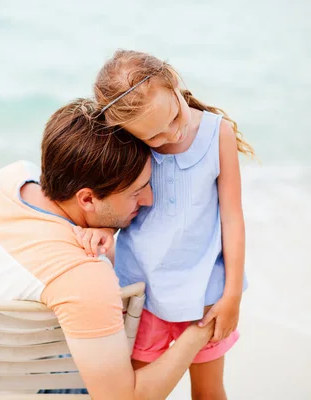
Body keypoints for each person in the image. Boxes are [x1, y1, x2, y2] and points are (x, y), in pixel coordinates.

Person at [0, 98, 216, 399]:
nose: (148, 200)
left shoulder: (9, 179)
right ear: (87, 199)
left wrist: (104, 223)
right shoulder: (83, 275)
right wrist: (200, 331)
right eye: (136, 192)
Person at [76, 49, 255, 400]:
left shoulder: (219, 135)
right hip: (143, 292)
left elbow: (232, 217)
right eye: (154, 137)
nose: (171, 135)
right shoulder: (128, 143)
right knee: (143, 388)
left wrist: (231, 293)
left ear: (174, 83)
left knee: (209, 390)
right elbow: (118, 204)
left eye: (174, 118)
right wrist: (102, 227)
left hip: (206, 292)